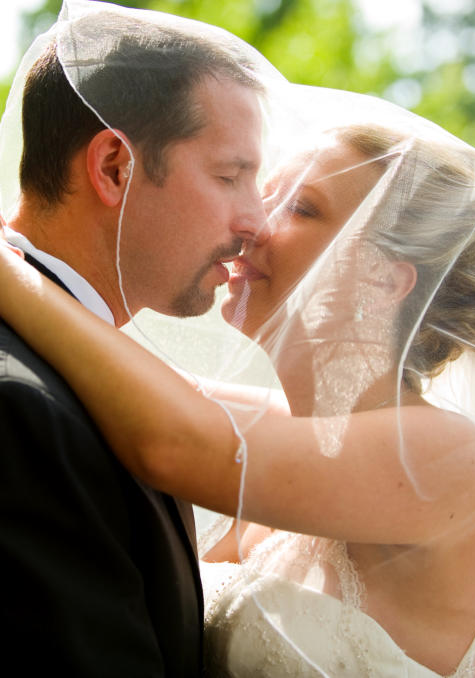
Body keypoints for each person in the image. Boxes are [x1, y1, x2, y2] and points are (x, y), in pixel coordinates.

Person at [0, 76, 475, 676]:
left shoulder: (450, 458)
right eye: (261, 197)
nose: (252, 223)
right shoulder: (286, 438)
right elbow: (123, 384)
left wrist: (8, 275)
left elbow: (172, 443)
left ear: (386, 279)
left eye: (301, 208)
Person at [0, 0, 276, 674]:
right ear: (114, 168)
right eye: (229, 175)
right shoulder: (24, 407)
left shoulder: (103, 385)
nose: (257, 220)